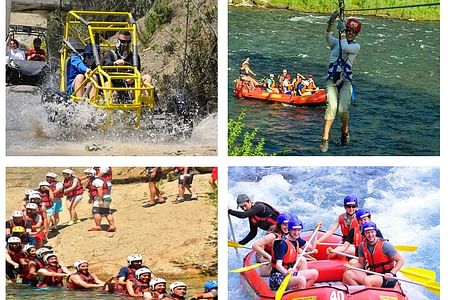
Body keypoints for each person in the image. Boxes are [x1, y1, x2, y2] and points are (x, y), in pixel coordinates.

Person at [320, 12, 362, 152]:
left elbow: (344, 47)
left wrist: (341, 31)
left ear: (356, 34)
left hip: (345, 81)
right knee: (332, 107)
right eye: (348, 30)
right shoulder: (336, 42)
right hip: (332, 80)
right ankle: (325, 138)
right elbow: (327, 36)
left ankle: (345, 131)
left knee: (343, 110)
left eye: (353, 32)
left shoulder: (356, 47)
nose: (350, 33)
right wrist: (331, 22)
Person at [343, 221, 405, 288]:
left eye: (372, 232)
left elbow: (401, 260)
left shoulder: (385, 245)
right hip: (372, 273)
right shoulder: (362, 246)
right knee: (348, 274)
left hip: (387, 277)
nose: (370, 235)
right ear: (364, 234)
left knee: (367, 280)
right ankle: (360, 294)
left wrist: (392, 273)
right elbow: (361, 264)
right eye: (367, 233)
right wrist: (351, 267)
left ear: (375, 232)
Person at [269, 219, 319, 291]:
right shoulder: (282, 244)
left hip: (290, 274)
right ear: (289, 230)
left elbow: (311, 248)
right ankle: (298, 294)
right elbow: (278, 265)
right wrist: (287, 272)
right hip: (277, 277)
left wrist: (315, 232)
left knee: (314, 273)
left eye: (299, 230)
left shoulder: (297, 239)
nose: (296, 233)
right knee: (301, 280)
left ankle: (296, 292)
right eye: (294, 230)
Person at [103, 31, 152, 102]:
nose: (125, 44)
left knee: (147, 77)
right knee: (107, 84)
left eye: (128, 42)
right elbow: (105, 67)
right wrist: (115, 64)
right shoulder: (110, 54)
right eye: (123, 41)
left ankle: (145, 105)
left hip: (130, 87)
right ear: (118, 42)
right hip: (115, 86)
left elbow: (137, 72)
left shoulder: (134, 57)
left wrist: (132, 79)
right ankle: (110, 109)